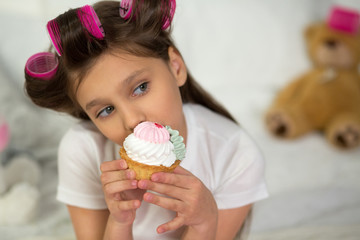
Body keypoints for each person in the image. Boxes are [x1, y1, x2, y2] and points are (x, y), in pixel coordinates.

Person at [24, 1, 268, 239]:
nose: (132, 120)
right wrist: (119, 222)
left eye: (140, 87)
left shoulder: (237, 154)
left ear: (176, 66)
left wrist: (204, 222)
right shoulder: (82, 150)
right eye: (107, 110)